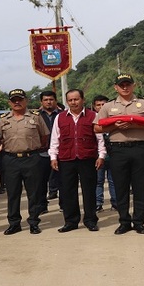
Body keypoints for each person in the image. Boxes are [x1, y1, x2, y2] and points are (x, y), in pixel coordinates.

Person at [94, 74, 144, 235]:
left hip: (139, 148)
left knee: (140, 186)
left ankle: (139, 222)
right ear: (116, 87)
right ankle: (124, 221)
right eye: (121, 85)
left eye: (128, 84)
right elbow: (97, 128)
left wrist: (136, 125)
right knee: (121, 187)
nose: (125, 87)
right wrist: (114, 127)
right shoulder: (108, 106)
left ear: (133, 86)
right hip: (118, 150)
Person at [49, 89, 106, 232]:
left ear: (83, 100)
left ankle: (90, 220)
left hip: (87, 158)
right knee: (68, 191)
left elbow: (100, 138)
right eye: (70, 100)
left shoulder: (94, 115)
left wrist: (101, 156)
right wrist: (53, 157)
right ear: (67, 101)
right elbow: (55, 139)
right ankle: (71, 221)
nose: (73, 102)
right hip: (66, 159)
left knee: (89, 190)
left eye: (76, 99)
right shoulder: (60, 117)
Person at [0, 89, 50, 235]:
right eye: (13, 100)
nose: (17, 102)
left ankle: (34, 222)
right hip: (10, 159)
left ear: (26, 100)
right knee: (13, 193)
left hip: (31, 158)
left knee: (33, 192)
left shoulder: (36, 117)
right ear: (9, 102)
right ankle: (14, 223)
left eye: (20, 99)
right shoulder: (3, 119)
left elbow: (44, 137)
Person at [38, 91, 61, 211]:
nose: (48, 102)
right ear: (41, 102)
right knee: (41, 181)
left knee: (62, 180)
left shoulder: (62, 114)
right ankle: (42, 205)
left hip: (60, 152)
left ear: (55, 101)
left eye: (51, 99)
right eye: (46, 100)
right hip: (42, 152)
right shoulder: (36, 116)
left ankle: (64, 204)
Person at [92, 95, 116, 211]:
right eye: (98, 105)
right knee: (98, 181)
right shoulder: (91, 121)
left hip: (113, 156)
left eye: (104, 104)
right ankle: (98, 203)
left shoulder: (115, 119)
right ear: (94, 106)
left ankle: (115, 203)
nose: (101, 107)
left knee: (114, 181)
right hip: (98, 157)